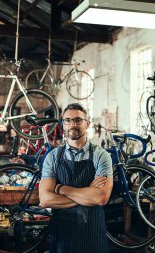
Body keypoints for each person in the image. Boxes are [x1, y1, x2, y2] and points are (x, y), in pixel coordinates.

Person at [39, 103, 113, 253]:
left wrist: (61, 188)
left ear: (87, 124)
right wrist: (88, 194)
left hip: (92, 233)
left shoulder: (101, 155)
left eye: (78, 120)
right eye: (68, 120)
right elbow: (45, 199)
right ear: (63, 125)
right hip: (62, 234)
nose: (72, 124)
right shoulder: (53, 157)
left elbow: (101, 198)